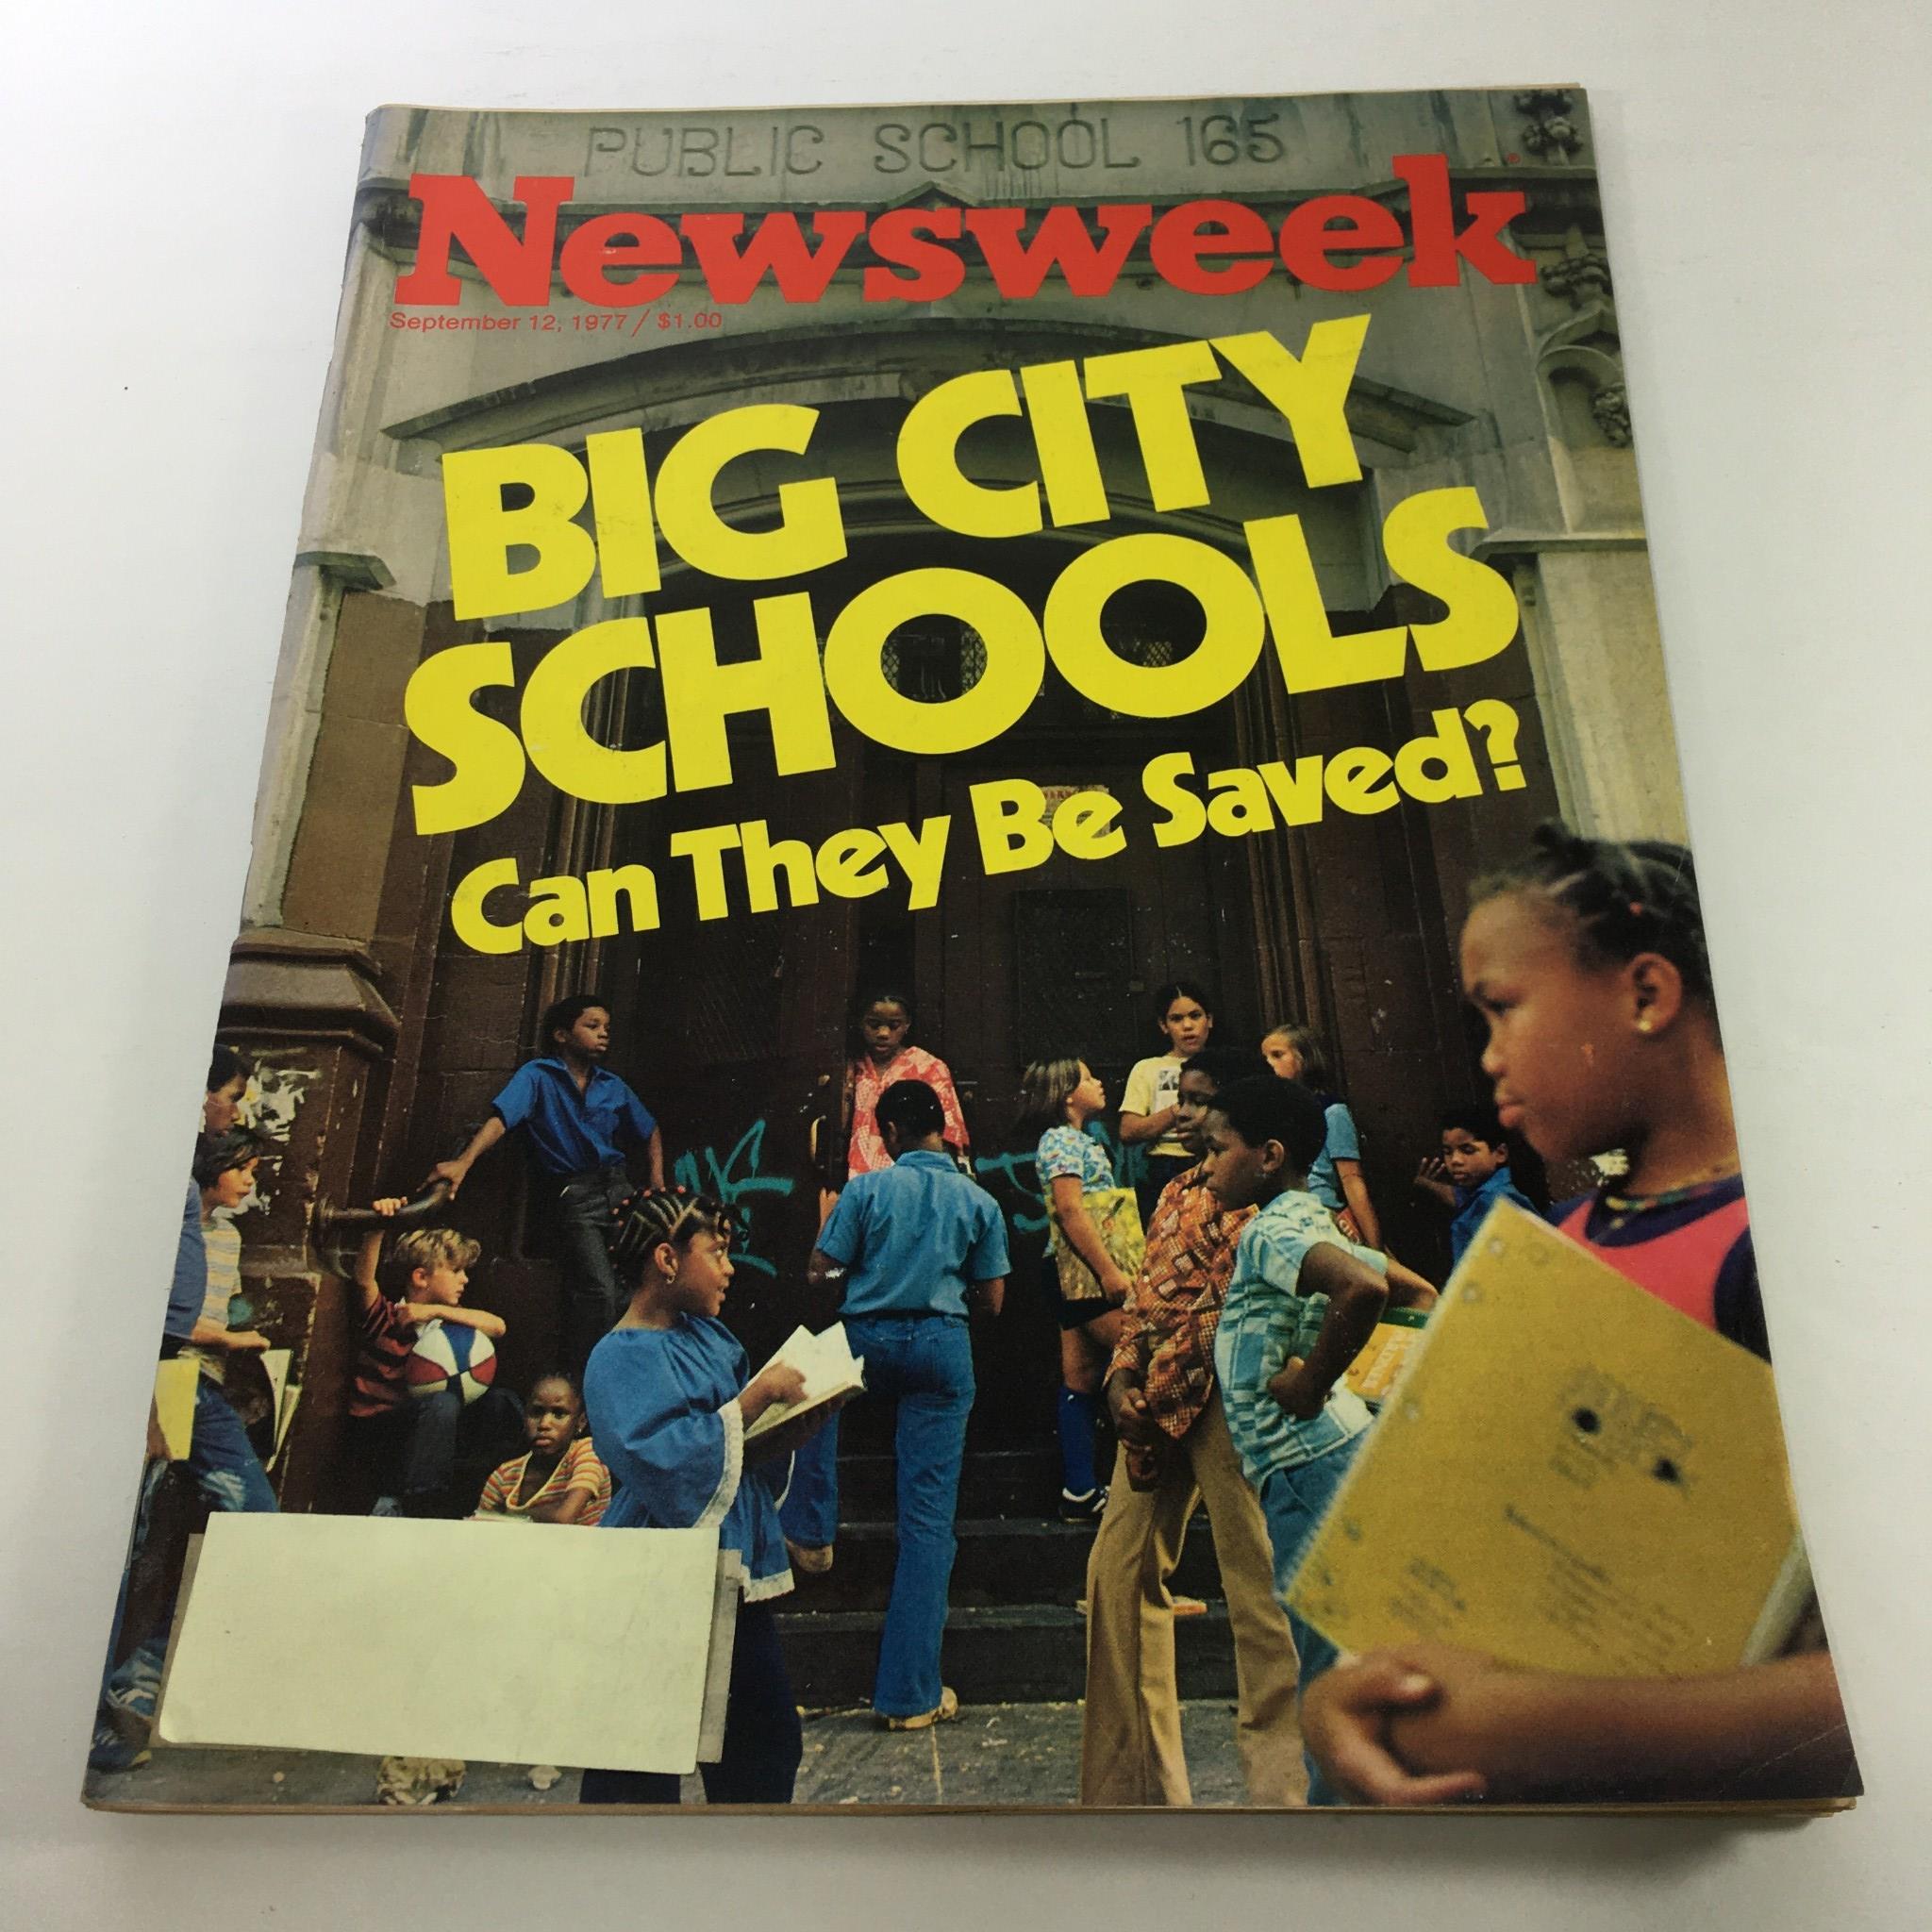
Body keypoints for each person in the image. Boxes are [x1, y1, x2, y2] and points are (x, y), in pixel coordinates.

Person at [1298, 824, 1857, 1806]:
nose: (1490, 1059)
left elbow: (1870, 1688)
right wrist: (1337, 1703)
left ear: (1645, 992)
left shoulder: (1792, 1247)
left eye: (1501, 1010)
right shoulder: (1551, 1244)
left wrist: (1494, 1724)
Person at [1204, 1075, 1439, 1802]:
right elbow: (1418, 1293)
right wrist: (1361, 1399)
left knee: (1327, 1665)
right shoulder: (1312, 1221)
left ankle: (1335, 1826)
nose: (1206, 1165)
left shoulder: (1275, 1227)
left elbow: (1366, 1292)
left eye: (1217, 1150)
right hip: (1328, 1455)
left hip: (1307, 1464)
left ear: (1268, 1155)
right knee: (1342, 1651)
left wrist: (1312, 1386)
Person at [1081, 1046, 1304, 1807]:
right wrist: (1119, 1377)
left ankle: (1286, 1796)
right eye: (1191, 1099)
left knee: (1259, 1591)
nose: (1195, 1115)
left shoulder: (1285, 1207)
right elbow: (1149, 1291)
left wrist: (1160, 1362)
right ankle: (1133, 1800)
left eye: (1210, 1102)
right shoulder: (1179, 1190)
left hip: (1232, 1400)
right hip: (1151, 1397)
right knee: (1117, 1576)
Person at [579, 1187, 823, 1806]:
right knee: (640, 1748)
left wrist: (787, 1428)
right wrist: (755, 1400)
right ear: (666, 1260)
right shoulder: (618, 1357)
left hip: (730, 1564)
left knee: (765, 1737)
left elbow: (733, 1449)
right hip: (657, 1573)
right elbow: (659, 1458)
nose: (729, 1267)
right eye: (716, 1252)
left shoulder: (711, 1340)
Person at [783, 1078, 1008, 1728]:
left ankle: (811, 1529)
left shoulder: (868, 1189)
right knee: (928, 1524)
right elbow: (992, 1299)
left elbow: (819, 1274)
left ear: (890, 1134)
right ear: (942, 1127)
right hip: (941, 1345)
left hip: (866, 1338)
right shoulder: (976, 1198)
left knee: (814, 1391)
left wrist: (835, 1242)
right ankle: (910, 1698)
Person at [90, 1050, 263, 1774]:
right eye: (229, 1096)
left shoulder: (203, 1211)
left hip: (177, 1381)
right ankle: (93, 1712)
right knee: (111, 1553)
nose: (234, 1110)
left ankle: (125, 1687)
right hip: (152, 1378)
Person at [790, 987, 971, 1570]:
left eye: (894, 1024)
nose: (883, 1033)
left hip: (910, 1203)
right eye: (873, 1022)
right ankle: (821, 1530)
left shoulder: (928, 1069)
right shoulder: (845, 1071)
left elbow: (955, 1141)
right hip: (859, 1205)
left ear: (909, 1024)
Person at [429, 993, 664, 1376]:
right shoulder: (538, 1077)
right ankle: (583, 1384)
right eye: (592, 1026)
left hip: (620, 1191)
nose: (603, 1034)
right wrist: (463, 1163)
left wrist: (655, 1181)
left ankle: (625, 1380)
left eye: (606, 1028)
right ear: (561, 1034)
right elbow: (501, 1119)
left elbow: (649, 1128)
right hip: (575, 1195)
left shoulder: (612, 1084)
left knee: (631, 1289)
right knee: (598, 1291)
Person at [1019, 1057, 1136, 1523]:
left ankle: (1080, 1489)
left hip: (1071, 1274)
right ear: (1068, 1094)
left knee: (1081, 1375)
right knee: (1142, 1351)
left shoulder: (1072, 1140)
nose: (1100, 1081)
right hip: (1085, 1274)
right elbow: (1069, 1210)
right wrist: (1109, 1271)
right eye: (1089, 1077)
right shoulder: (1063, 1141)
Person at [348, 1205, 520, 1517]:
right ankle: (419, 1505)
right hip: (383, 1432)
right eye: (456, 1271)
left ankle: (485, 1495)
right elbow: (363, 1281)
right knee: (442, 1404)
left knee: (501, 1402)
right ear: (421, 1277)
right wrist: (378, 1224)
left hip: (430, 1429)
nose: (464, 1279)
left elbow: (499, 1326)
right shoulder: (388, 1317)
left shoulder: (448, 1326)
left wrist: (435, 1311)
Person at [181, 1127, 282, 1515]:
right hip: (173, 1378)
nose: (250, 1180)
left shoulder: (228, 1236)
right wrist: (229, 1340)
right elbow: (166, 1323)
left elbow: (226, 1308)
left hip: (209, 1383)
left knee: (255, 1510)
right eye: (241, 1168)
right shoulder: (171, 1231)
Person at [1259, 1023, 1381, 1248]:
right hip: (1283, 1218)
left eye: (1277, 1055)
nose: (1268, 1063)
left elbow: (1351, 1180)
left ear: (1304, 1060)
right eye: (1264, 1057)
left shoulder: (1331, 1112)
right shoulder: (1271, 1114)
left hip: (1323, 1216)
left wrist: (1374, 1245)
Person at [1120, 981, 1215, 1222]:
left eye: (1195, 1016)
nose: (1187, 1026)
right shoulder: (1148, 1068)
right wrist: (1180, 1109)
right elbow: (1129, 1130)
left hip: (1215, 1159)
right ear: (1164, 1025)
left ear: (1209, 1020)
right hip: (1165, 1165)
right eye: (1176, 1019)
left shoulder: (1224, 1065)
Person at [475, 1373, 611, 1525]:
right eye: (536, 1412)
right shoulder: (504, 1476)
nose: (544, 1424)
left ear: (580, 1422)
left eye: (559, 1414)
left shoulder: (587, 1452)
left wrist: (508, 1513)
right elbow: (481, 1530)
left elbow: (564, 1517)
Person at [1411, 1104, 1535, 1270]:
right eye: (1448, 1152)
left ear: (1500, 1153)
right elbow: (1460, 1198)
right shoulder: (1481, 1195)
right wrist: (1427, 1184)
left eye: (1467, 1150)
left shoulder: (1501, 1201)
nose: (1455, 1160)